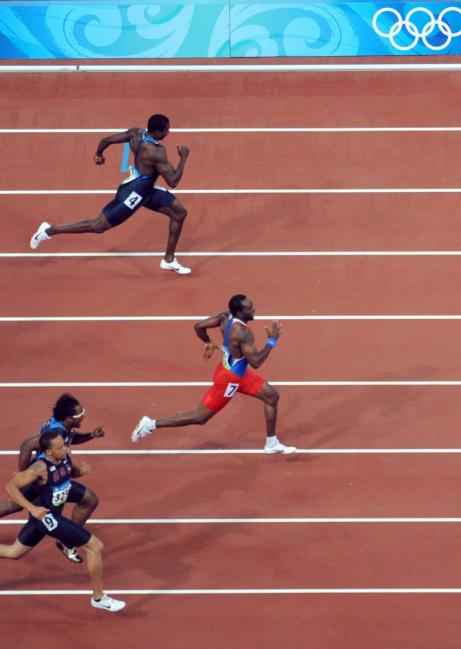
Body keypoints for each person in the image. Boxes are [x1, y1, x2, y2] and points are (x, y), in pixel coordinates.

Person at [29, 113, 192, 275]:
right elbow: (173, 181)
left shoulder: (136, 133)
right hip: (134, 194)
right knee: (98, 226)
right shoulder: (156, 152)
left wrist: (99, 154)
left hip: (146, 188)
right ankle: (48, 231)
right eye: (166, 130)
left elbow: (105, 140)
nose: (168, 132)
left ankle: (168, 260)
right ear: (157, 133)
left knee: (179, 213)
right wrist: (183, 157)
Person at [131, 294, 296, 454]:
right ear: (239, 313)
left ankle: (271, 443)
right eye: (250, 308)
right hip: (229, 381)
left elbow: (199, 326)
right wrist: (271, 341)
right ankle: (150, 424)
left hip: (232, 371)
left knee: (272, 396)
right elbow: (256, 362)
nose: (254, 310)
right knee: (200, 417)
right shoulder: (243, 333)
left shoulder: (225, 317)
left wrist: (208, 342)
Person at [0, 431, 125, 612]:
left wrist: (80, 472)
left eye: (64, 444)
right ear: (49, 452)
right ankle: (99, 598)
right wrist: (32, 508)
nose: (65, 448)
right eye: (60, 447)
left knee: (14, 552)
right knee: (95, 546)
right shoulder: (39, 468)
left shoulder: (64, 457)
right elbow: (10, 486)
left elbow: (69, 472)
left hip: (44, 517)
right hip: (47, 518)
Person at [0, 394, 103, 564]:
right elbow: (27, 445)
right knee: (14, 504)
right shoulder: (55, 432)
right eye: (80, 414)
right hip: (41, 478)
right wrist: (23, 473)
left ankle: (67, 542)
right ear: (69, 418)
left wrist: (90, 435)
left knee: (90, 499)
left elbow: (71, 438)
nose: (84, 415)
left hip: (58, 478)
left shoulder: (64, 427)